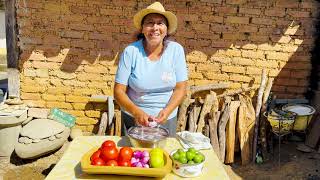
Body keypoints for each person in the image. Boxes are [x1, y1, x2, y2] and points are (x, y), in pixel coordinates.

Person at [114, 2, 188, 136]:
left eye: (160, 23)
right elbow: (119, 91)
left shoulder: (176, 50)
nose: (155, 28)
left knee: (162, 155)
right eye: (150, 23)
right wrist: (137, 112)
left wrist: (167, 111)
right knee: (134, 154)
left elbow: (180, 88)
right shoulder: (131, 51)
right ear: (142, 29)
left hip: (166, 118)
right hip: (134, 118)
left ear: (166, 29)